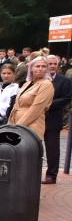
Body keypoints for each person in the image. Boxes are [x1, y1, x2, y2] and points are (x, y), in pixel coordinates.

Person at [7, 53, 54, 139]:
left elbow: (35, 109)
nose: (40, 69)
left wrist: (18, 127)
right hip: (15, 122)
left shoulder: (46, 85)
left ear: (47, 69)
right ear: (31, 68)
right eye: (37, 66)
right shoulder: (28, 83)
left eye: (43, 66)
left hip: (31, 125)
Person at [42, 54, 70, 184]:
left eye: (55, 64)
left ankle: (51, 175)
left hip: (53, 119)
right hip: (37, 118)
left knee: (52, 148)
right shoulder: (40, 79)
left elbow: (66, 99)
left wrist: (47, 104)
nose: (52, 66)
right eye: (50, 64)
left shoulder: (65, 81)